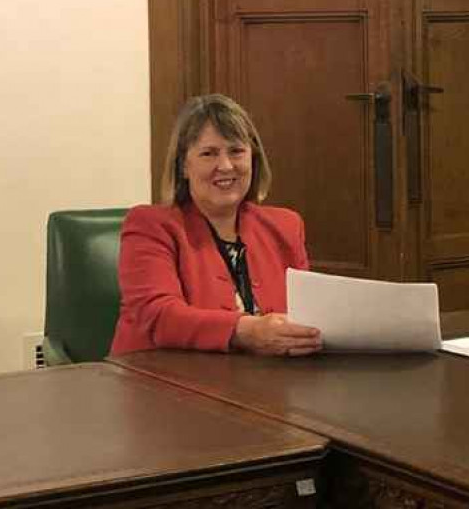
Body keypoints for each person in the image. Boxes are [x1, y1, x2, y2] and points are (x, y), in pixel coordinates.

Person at [111, 94, 322, 357]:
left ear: (253, 158)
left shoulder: (285, 226)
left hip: (264, 385)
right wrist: (247, 331)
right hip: (163, 383)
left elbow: (304, 316)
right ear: (184, 166)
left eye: (236, 151)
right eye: (208, 153)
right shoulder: (149, 225)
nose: (225, 165)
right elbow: (159, 316)